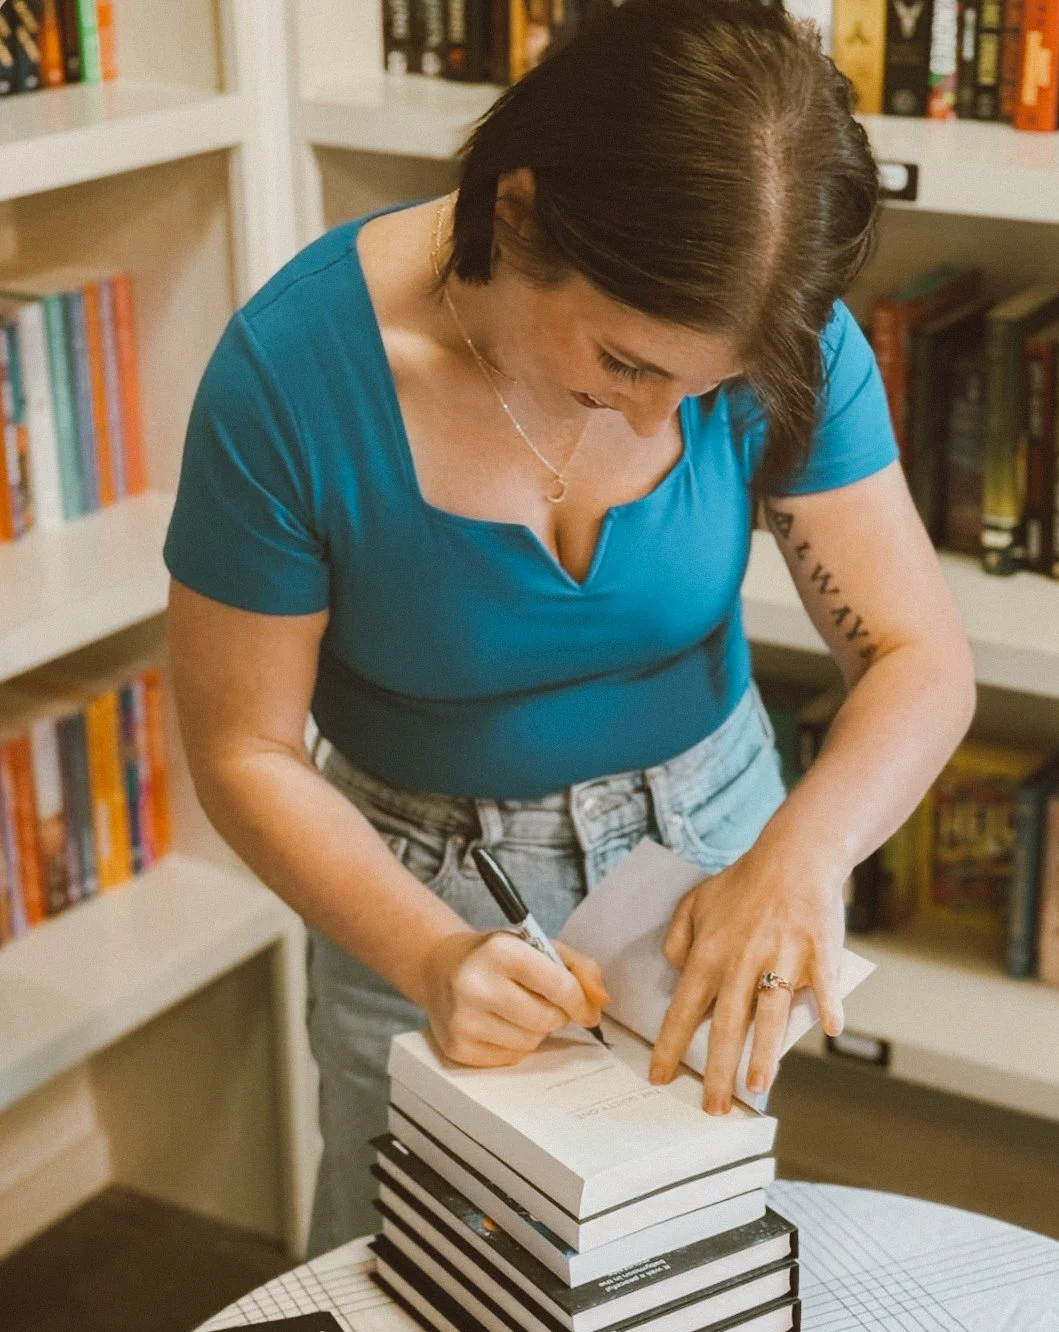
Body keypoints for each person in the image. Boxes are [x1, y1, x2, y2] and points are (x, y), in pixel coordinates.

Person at [165, 0, 975, 1256]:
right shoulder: (292, 378)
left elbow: (916, 659)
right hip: (416, 887)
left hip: (713, 866)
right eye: (624, 361)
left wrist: (798, 857)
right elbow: (243, 751)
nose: (661, 420)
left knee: (673, 1289)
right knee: (406, 1295)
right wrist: (433, 959)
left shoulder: (770, 337)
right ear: (521, 213)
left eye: (702, 390)